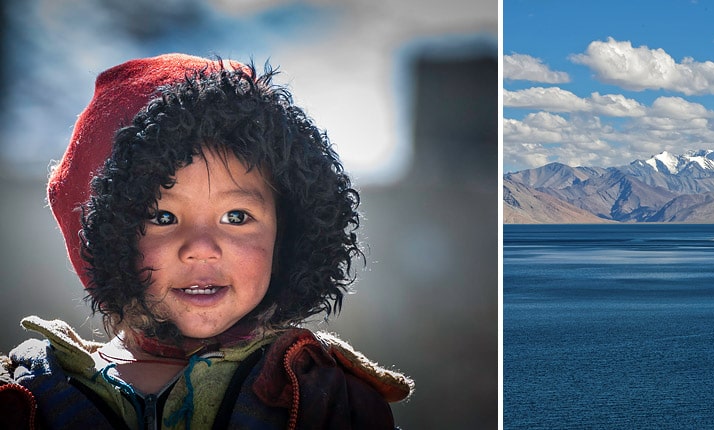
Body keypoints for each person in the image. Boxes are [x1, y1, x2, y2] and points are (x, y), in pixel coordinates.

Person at [0, 53, 412, 429]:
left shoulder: (326, 399)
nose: (202, 247)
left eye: (236, 217)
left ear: (287, 235)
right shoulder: (28, 398)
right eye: (163, 217)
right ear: (104, 239)